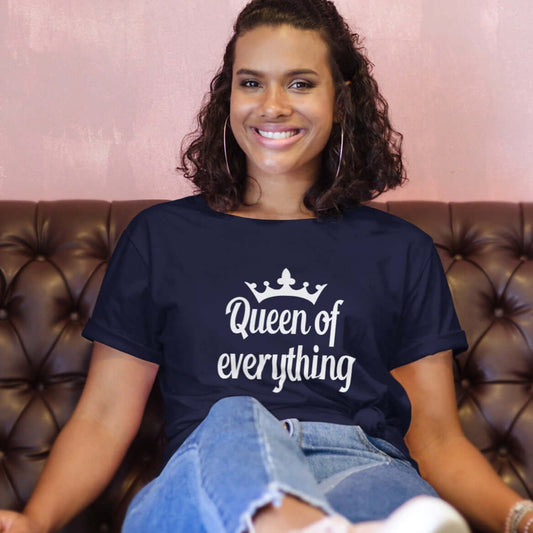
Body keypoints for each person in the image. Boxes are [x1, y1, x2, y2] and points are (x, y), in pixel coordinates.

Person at [1, 1, 532, 532]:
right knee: (236, 413)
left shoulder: (401, 250)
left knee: (389, 500)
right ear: (227, 96)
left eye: (300, 84)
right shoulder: (160, 238)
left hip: (359, 466)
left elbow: (436, 438)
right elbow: (102, 418)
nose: (272, 106)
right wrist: (35, 521)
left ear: (342, 99)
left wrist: (519, 516)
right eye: (251, 83)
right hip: (210, 472)